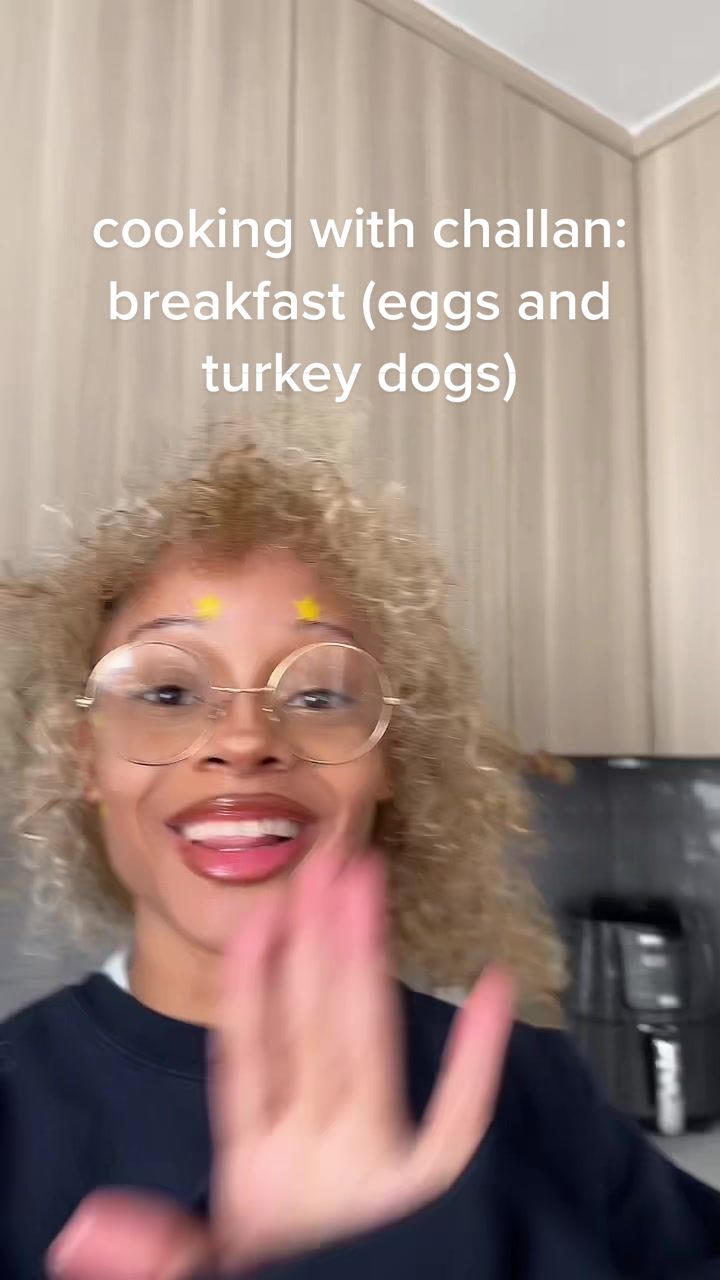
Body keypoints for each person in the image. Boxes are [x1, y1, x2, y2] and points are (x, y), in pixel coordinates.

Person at [1, 412, 720, 1280]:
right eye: (166, 693)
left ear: (387, 763)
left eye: (318, 696)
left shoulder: (529, 1088)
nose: (244, 738)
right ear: (86, 760)